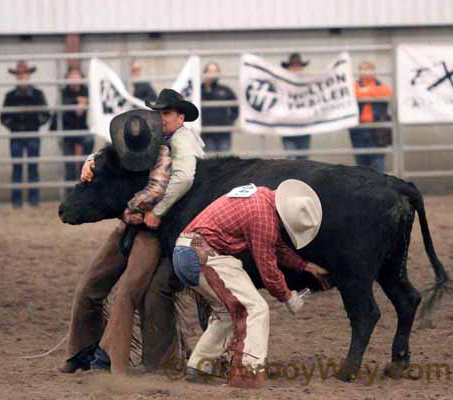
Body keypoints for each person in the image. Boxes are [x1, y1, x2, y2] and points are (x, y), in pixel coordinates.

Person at [60, 89, 204, 375]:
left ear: (180, 117)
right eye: (158, 113)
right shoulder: (149, 139)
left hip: (159, 229)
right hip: (135, 221)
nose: (160, 118)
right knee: (92, 282)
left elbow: (183, 178)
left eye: (166, 114)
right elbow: (113, 153)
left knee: (131, 289)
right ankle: (82, 349)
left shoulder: (182, 143)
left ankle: (108, 356)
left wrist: (155, 212)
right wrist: (91, 160)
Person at [172, 180, 330, 388]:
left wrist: (304, 265)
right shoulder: (264, 217)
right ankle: (247, 372)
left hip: (186, 252)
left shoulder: (262, 198)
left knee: (228, 313)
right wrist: (288, 297)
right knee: (255, 308)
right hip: (205, 256)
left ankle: (200, 366)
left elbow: (275, 246)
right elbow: (269, 271)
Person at [0, 61, 50, 207]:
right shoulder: (10, 95)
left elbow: (46, 114)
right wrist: (13, 126)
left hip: (31, 132)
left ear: (29, 75)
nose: (22, 77)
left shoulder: (37, 94)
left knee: (32, 166)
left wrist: (35, 123)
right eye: (19, 74)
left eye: (24, 74)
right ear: (16, 76)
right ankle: (17, 201)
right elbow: (3, 117)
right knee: (17, 167)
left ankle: (33, 200)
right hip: (16, 134)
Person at [50, 67, 93, 196]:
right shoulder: (64, 93)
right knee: (69, 166)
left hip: (84, 131)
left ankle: (85, 194)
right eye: (71, 76)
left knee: (86, 165)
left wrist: (85, 103)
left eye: (77, 76)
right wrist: (77, 103)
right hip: (68, 132)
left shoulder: (87, 91)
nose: (74, 79)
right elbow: (63, 108)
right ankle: (70, 195)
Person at [349, 61, 393, 173]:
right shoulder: (353, 87)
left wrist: (366, 92)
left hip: (377, 130)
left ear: (373, 71)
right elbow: (354, 94)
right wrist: (371, 93)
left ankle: (379, 189)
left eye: (367, 69)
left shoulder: (382, 86)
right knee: (361, 165)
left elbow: (387, 93)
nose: (364, 72)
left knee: (378, 164)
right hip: (359, 130)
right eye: (362, 70)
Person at [200, 62, 238, 152]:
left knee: (225, 162)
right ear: (205, 73)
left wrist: (230, 122)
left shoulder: (225, 90)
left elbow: (235, 107)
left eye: (215, 71)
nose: (212, 74)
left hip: (223, 134)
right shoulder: (198, 90)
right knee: (210, 162)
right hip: (206, 134)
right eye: (210, 71)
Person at [280, 53, 311, 160]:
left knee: (303, 160)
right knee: (291, 159)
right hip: (287, 128)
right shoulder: (281, 84)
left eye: (298, 66)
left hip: (304, 128)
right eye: (293, 66)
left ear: (302, 68)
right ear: (288, 68)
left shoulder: (309, 84)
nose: (295, 69)